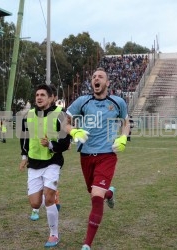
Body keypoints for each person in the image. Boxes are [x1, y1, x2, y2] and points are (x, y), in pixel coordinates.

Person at [65, 68, 130, 250]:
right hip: (86, 155)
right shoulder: (82, 102)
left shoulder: (117, 102)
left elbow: (126, 122)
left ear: (107, 83)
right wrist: (73, 131)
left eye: (100, 76)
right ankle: (109, 193)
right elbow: (64, 122)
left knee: (95, 197)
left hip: (107, 155)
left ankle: (87, 244)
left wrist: (123, 137)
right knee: (95, 193)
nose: (96, 79)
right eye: (94, 77)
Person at [20, 85, 71, 247]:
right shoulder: (28, 115)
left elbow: (65, 142)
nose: (39, 97)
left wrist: (50, 145)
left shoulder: (61, 115)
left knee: (48, 199)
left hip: (53, 161)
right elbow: (24, 138)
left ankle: (54, 235)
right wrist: (23, 156)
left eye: (43, 95)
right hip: (34, 162)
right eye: (37, 95)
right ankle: (53, 197)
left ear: (51, 98)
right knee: (35, 203)